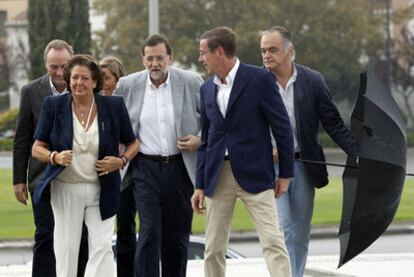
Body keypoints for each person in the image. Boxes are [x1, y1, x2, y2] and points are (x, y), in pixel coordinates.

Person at [191, 26, 294, 277]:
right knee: (214, 247)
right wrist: (200, 184)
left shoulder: (259, 79)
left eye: (203, 53)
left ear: (220, 52)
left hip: (255, 173)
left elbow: (282, 128)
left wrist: (286, 174)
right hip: (218, 175)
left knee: (272, 241)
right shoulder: (206, 89)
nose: (200, 59)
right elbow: (207, 140)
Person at [260, 26, 360, 277]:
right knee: (283, 228)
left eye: (272, 49)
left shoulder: (312, 80)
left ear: (289, 51)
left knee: (301, 229)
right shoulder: (255, 83)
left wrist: (357, 153)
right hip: (269, 168)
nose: (266, 55)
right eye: (263, 50)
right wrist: (264, 148)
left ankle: (295, 274)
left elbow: (333, 123)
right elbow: (243, 127)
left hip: (304, 165)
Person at [31, 54, 139, 277]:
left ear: (95, 81)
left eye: (85, 78)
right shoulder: (54, 105)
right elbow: (36, 147)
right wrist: (55, 157)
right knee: (67, 250)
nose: (79, 83)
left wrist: (121, 161)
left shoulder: (113, 105)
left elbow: (133, 143)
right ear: (69, 80)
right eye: (74, 78)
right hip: (65, 188)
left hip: (103, 188)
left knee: (102, 248)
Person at [114, 34, 203, 277]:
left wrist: (200, 138)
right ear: (143, 60)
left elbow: (214, 119)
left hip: (180, 168)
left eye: (160, 58)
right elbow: (114, 125)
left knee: (177, 234)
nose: (155, 64)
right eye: (149, 59)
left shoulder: (191, 81)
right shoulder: (128, 85)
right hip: (144, 167)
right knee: (150, 231)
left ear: (170, 59)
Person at [12, 39, 88, 277]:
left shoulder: (85, 89)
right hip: (43, 179)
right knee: (45, 235)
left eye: (63, 66)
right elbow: (23, 139)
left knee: (80, 237)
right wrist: (19, 180)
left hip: (79, 178)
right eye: (52, 66)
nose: (58, 72)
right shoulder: (31, 92)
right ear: (45, 64)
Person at [99, 56, 136, 277]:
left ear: (118, 79)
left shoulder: (127, 104)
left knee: (126, 230)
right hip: (100, 176)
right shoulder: (94, 103)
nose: (103, 82)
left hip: (126, 175)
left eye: (107, 78)